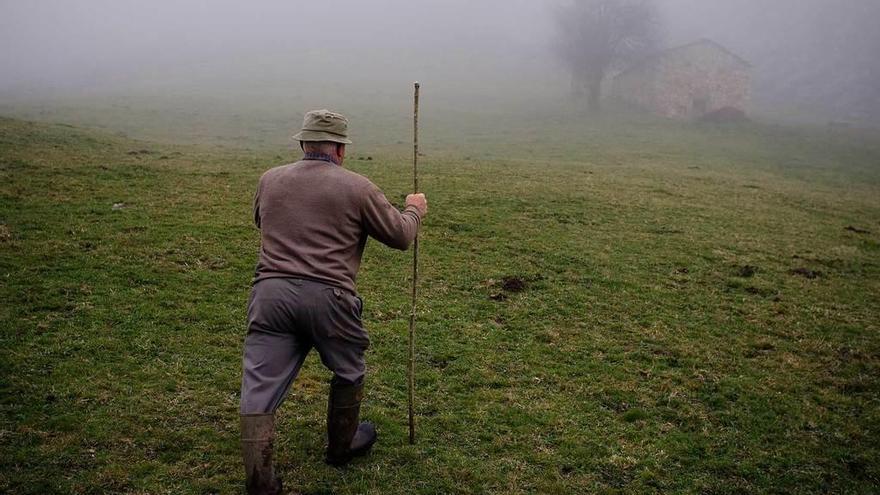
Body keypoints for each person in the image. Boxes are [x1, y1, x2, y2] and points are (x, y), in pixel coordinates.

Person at [238, 109, 427, 494]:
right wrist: (414, 210)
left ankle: (260, 481)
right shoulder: (358, 187)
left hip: (270, 294)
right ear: (340, 149)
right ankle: (342, 447)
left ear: (303, 144)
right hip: (330, 297)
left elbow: (263, 222)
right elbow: (400, 236)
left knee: (258, 387)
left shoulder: (269, 179)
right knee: (349, 370)